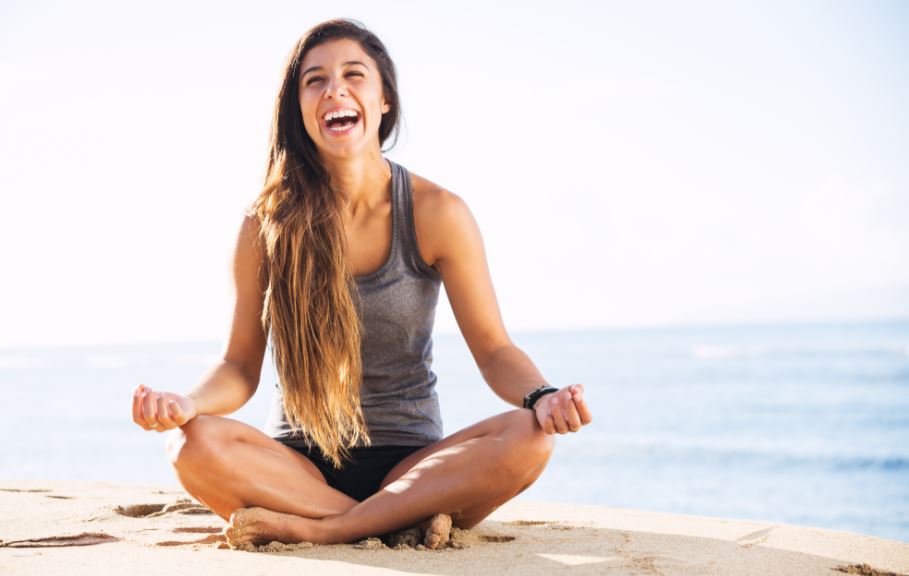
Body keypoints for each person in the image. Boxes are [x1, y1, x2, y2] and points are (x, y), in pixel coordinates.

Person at [130, 18, 592, 549]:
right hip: (296, 471)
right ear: (299, 106)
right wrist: (188, 404)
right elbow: (239, 366)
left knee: (530, 437)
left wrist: (542, 396)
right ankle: (388, 521)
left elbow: (493, 349)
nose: (335, 90)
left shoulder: (437, 213)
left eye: (354, 75)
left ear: (384, 99)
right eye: (315, 80)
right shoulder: (265, 224)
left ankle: (324, 529)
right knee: (191, 446)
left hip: (413, 465)